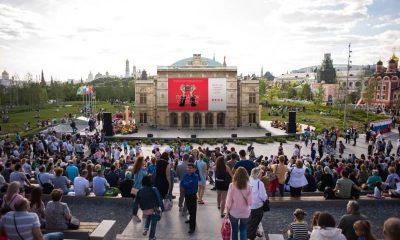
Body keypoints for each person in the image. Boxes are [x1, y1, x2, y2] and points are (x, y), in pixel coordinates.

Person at [133, 175, 164, 240]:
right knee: (153, 223)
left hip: (145, 210)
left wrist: (134, 213)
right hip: (154, 209)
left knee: (149, 216)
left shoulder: (140, 191)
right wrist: (162, 208)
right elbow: (159, 199)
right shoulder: (154, 189)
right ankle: (151, 237)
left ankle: (145, 229)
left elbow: (136, 203)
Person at [225, 167, 252, 240]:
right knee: (243, 230)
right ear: (246, 175)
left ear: (236, 175)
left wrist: (227, 211)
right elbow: (250, 203)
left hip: (234, 212)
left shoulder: (232, 185)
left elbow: (229, 201)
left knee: (235, 231)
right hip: (245, 212)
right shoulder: (249, 187)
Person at [247, 167, 267, 240]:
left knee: (250, 221)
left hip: (248, 205)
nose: (262, 175)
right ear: (258, 174)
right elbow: (263, 196)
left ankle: (252, 232)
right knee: (255, 222)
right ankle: (251, 236)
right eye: (261, 173)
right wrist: (265, 198)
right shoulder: (260, 183)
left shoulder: (247, 181)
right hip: (257, 206)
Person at [180, 163, 198, 234]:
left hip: (193, 195)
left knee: (193, 211)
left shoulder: (195, 176)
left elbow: (192, 185)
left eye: (190, 168)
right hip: (187, 195)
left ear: (194, 169)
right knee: (190, 209)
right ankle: (191, 220)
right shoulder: (185, 175)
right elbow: (182, 184)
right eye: (188, 168)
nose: (189, 169)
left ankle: (192, 228)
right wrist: (188, 183)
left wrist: (186, 184)